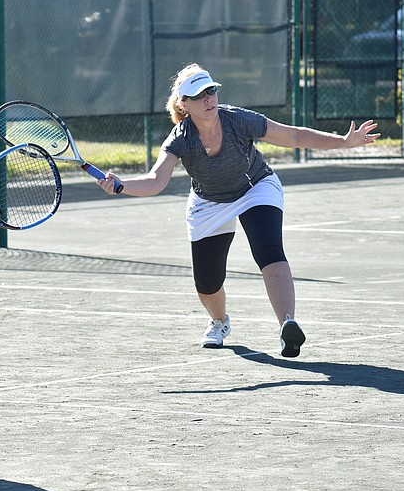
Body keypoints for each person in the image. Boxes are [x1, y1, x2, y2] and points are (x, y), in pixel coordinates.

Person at [97, 64, 379, 358]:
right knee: (207, 282)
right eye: (199, 95)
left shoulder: (238, 120)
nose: (209, 99)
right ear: (184, 104)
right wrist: (122, 185)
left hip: (255, 187)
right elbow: (156, 181)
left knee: (268, 249)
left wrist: (344, 142)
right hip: (208, 203)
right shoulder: (180, 138)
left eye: (211, 90)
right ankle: (219, 322)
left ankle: (288, 325)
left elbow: (294, 137)